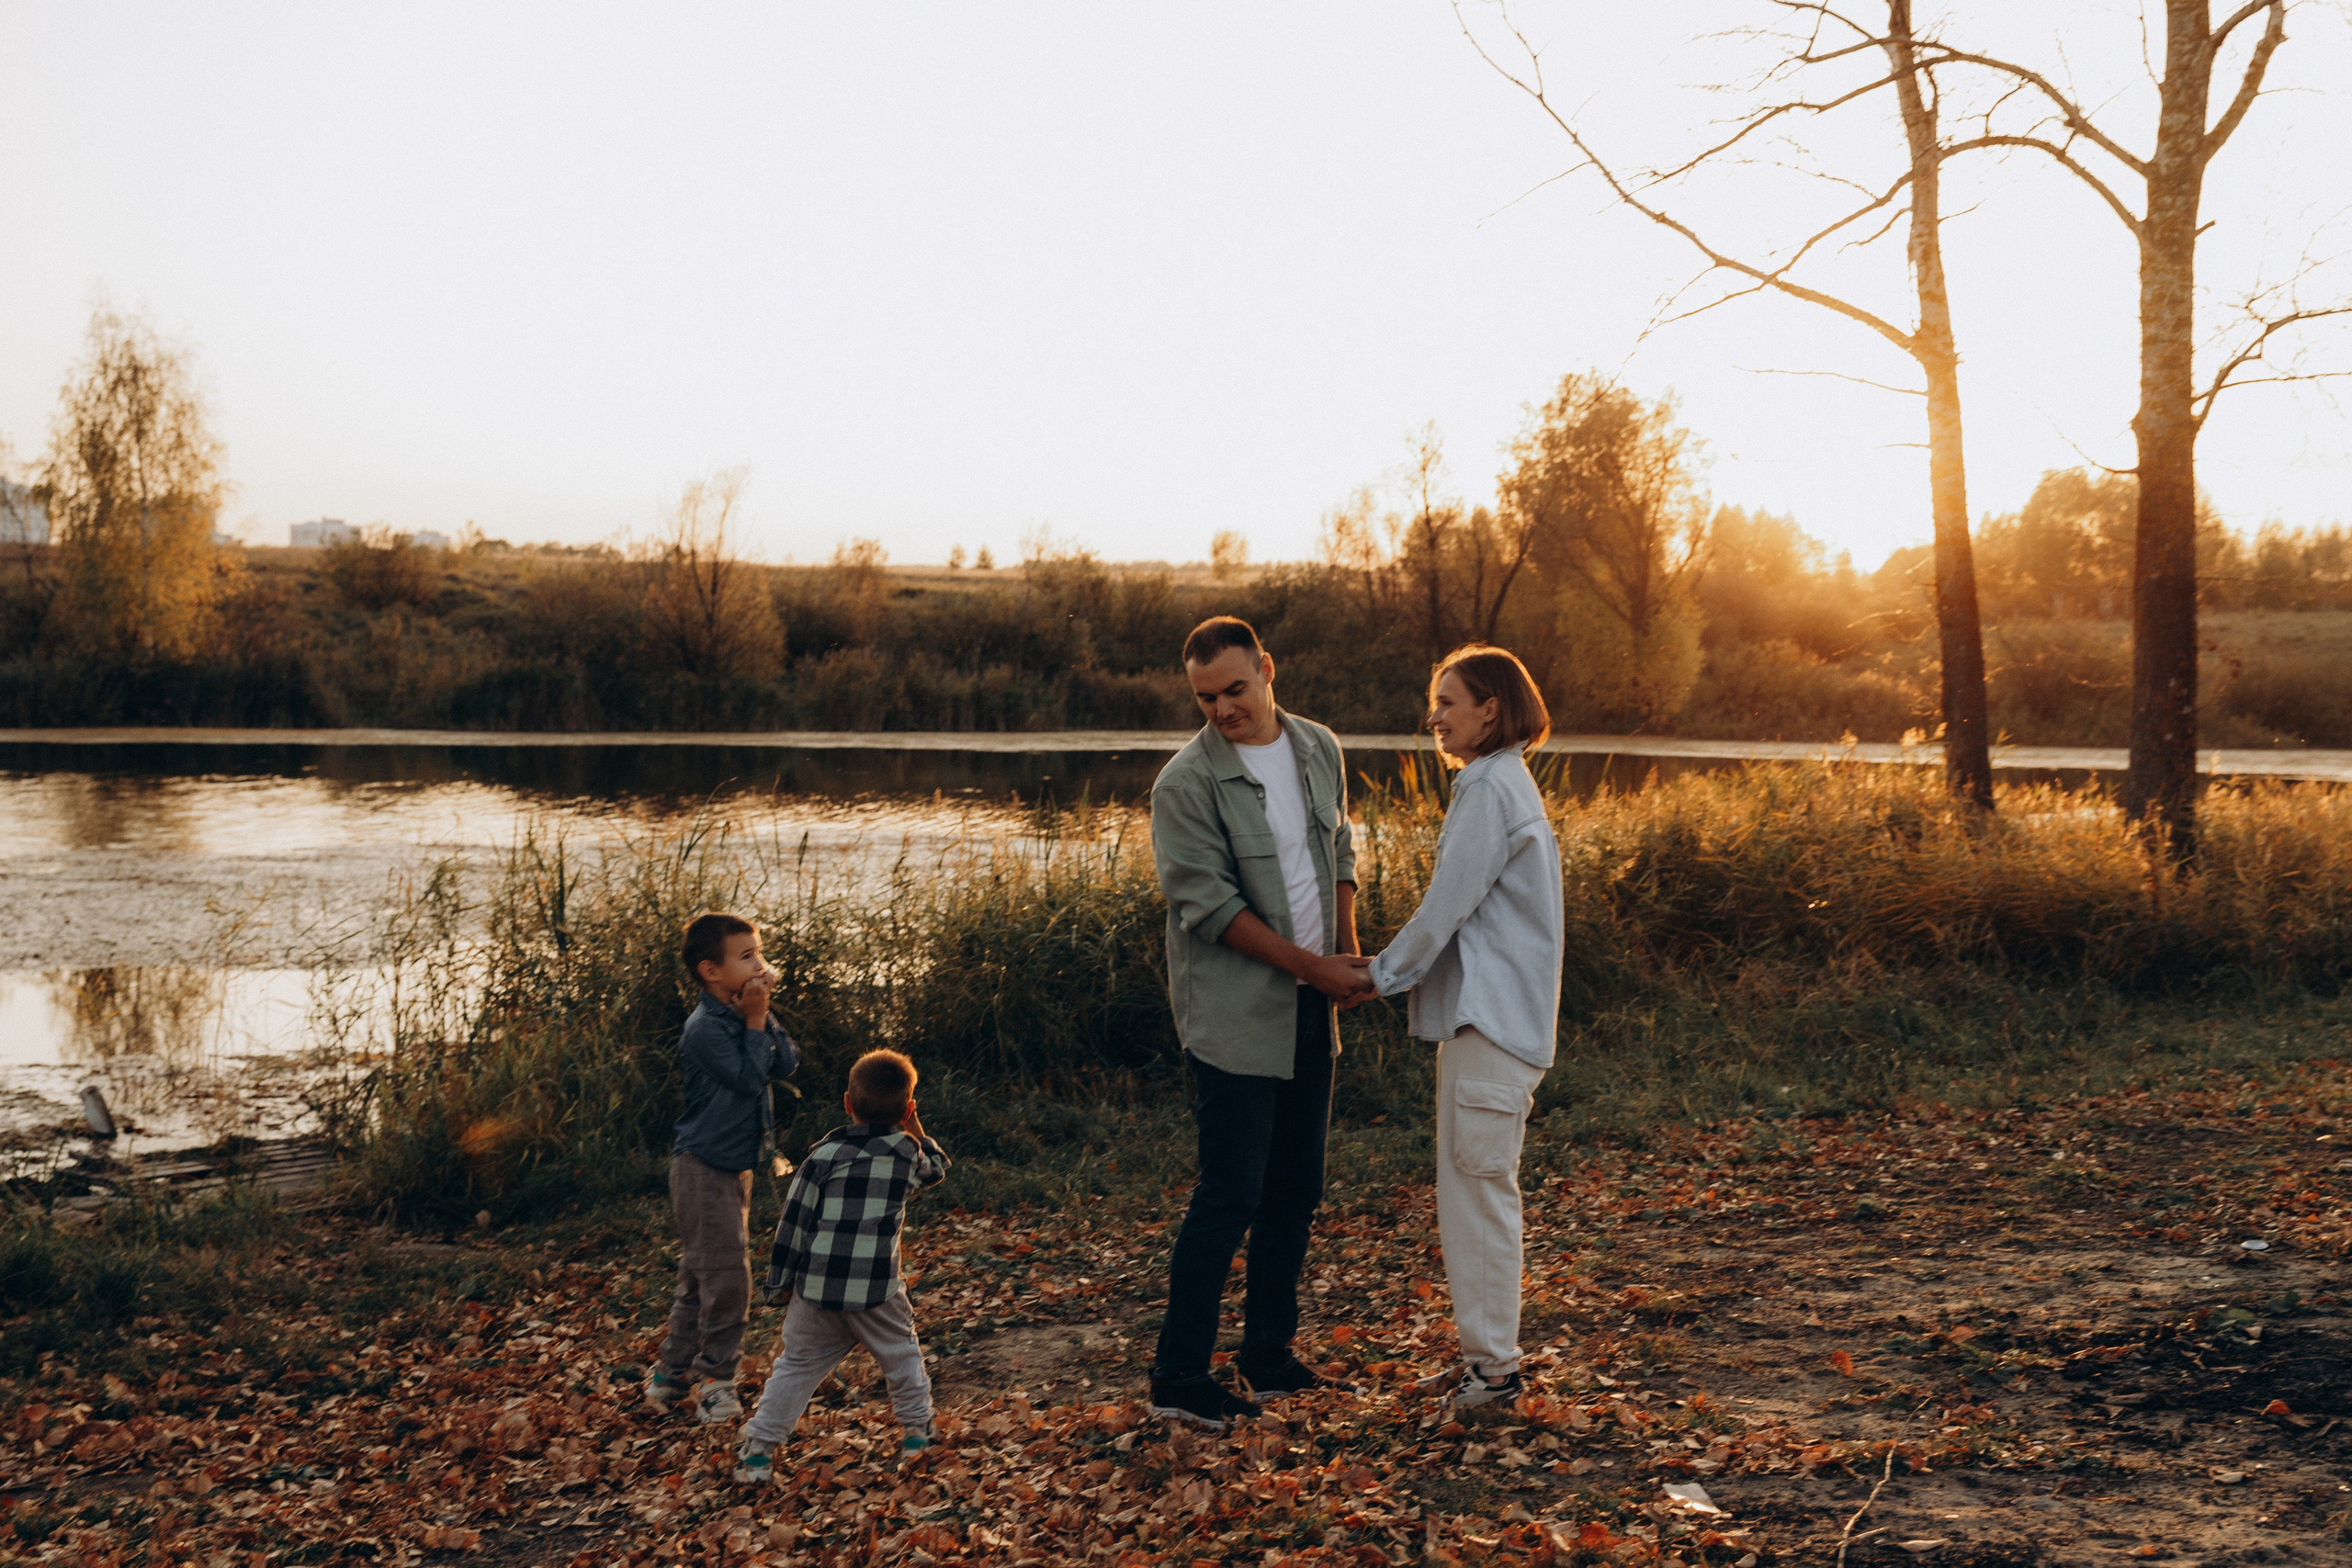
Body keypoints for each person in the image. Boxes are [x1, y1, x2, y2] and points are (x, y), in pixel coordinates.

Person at [1147, 615, 1375, 1431]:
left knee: (1295, 1191)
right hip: (1236, 1018)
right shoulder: (1184, 785)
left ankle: (1268, 1356)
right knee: (1230, 1194)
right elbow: (1209, 908)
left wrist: (1343, 958)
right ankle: (1178, 1375)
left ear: (1267, 670)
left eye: (1235, 689)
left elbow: (1340, 851)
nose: (1222, 709)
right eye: (1205, 697)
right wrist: (1312, 966)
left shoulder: (1318, 746)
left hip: (1312, 1008)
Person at [1363, 645, 1564, 1412]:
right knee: (1476, 1194)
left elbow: (1445, 904)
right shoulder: (1506, 785)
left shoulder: (1489, 787)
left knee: (1478, 1200)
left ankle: (1495, 1374)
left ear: (1491, 707)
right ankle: (1487, 1363)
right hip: (1491, 1026)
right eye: (1433, 700)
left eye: (1449, 700)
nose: (1435, 714)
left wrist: (1377, 975)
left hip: (1492, 1027)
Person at [734, 1049, 949, 1483]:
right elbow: (938, 1169)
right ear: (908, 1109)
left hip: (817, 1288)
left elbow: (794, 1224)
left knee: (795, 1367)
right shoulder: (907, 1154)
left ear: (847, 1104)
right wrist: (913, 1124)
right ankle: (916, 1435)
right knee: (902, 1356)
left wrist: (779, 1285)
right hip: (877, 1290)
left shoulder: (820, 1157)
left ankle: (758, 1453)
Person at [648, 911, 802, 1426]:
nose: (760, 964)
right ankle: (717, 1380)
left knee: (700, 1276)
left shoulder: (741, 1013)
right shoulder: (702, 1029)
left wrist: (763, 1014)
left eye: (759, 953)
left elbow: (785, 1063)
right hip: (701, 1166)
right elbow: (746, 1077)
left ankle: (670, 1375)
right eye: (747, 956)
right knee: (729, 1276)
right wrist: (756, 1020)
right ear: (711, 971)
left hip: (733, 1167)